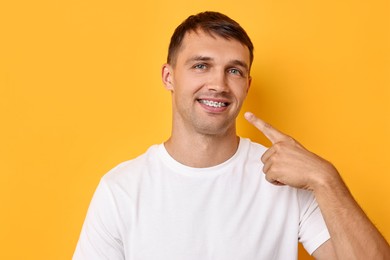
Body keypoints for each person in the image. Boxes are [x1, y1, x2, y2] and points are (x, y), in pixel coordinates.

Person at [73, 11, 390, 260]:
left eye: (234, 70)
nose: (219, 84)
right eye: (201, 65)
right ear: (169, 77)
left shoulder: (283, 177)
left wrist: (325, 178)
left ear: (247, 85)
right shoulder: (122, 190)